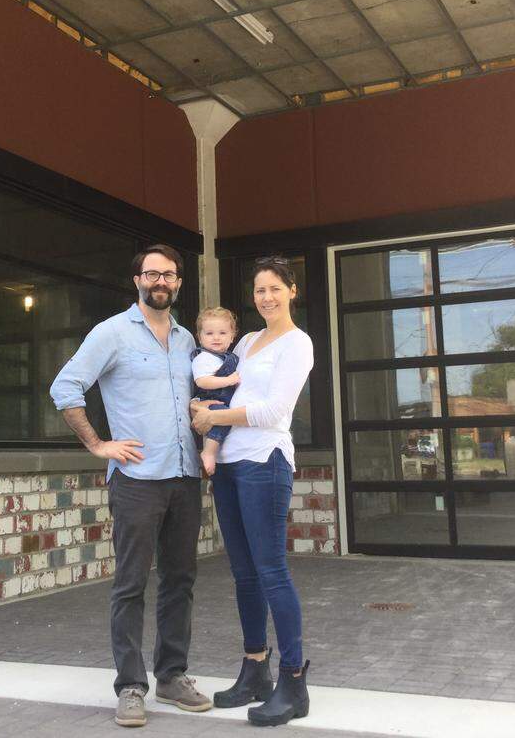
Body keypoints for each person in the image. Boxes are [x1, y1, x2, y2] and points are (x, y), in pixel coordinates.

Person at [49, 244, 211, 728]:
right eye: (151, 274)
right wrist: (99, 444)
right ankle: (130, 686)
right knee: (131, 584)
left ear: (179, 283)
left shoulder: (188, 341)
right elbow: (66, 386)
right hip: (138, 481)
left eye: (169, 275)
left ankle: (172, 675)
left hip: (184, 478)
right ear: (137, 280)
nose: (160, 282)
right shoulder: (112, 333)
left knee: (180, 581)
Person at [191, 256, 314, 727]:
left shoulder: (297, 343)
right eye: (260, 290)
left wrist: (212, 418)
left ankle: (293, 680)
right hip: (229, 465)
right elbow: (224, 394)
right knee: (243, 574)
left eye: (274, 289)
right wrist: (201, 407)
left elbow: (272, 410)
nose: (266, 297)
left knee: (271, 572)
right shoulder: (244, 340)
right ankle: (255, 669)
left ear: (292, 291)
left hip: (265, 462)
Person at [191, 306, 241, 477]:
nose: (216, 338)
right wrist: (229, 380)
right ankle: (209, 452)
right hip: (211, 401)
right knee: (223, 416)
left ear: (233, 335)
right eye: (209, 333)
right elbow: (202, 381)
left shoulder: (231, 357)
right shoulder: (203, 358)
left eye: (222, 333)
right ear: (199, 337)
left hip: (226, 403)